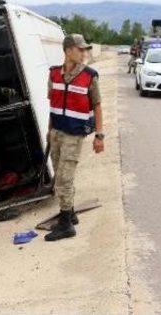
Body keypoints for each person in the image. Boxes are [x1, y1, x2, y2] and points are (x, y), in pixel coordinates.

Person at [45, 34, 104, 242]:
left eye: (85, 49)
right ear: (68, 51)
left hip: (74, 134)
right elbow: (52, 104)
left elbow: (97, 106)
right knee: (60, 175)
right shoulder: (53, 74)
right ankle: (70, 213)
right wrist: (48, 132)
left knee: (64, 178)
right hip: (56, 133)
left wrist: (99, 135)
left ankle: (65, 224)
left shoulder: (89, 76)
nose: (84, 53)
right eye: (80, 49)